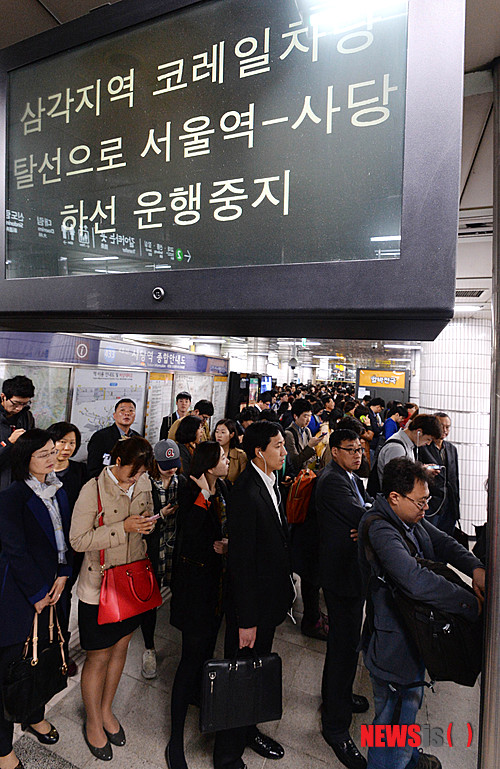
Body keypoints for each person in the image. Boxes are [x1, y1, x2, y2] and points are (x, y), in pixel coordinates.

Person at [358, 457, 485, 769]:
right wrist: (469, 604)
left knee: (407, 711)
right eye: (421, 501)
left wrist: (474, 567)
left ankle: (409, 758)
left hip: (412, 635)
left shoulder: (406, 517)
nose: (426, 508)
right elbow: (414, 580)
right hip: (393, 646)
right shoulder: (381, 528)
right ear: (395, 497)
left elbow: (442, 542)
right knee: (390, 720)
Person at [213, 421, 294, 769]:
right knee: (239, 676)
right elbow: (241, 563)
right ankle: (227, 754)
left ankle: (248, 730)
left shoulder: (271, 483)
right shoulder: (246, 492)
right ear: (259, 451)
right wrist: (246, 620)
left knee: (255, 671)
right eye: (278, 446)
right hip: (251, 607)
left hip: (267, 600)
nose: (284, 451)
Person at [70, 436, 156, 761]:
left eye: (141, 474)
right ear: (117, 462)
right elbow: (78, 540)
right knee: (98, 656)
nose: (137, 479)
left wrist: (147, 525)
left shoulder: (143, 481)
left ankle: (106, 710)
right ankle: (93, 720)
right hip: (99, 587)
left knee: (121, 648)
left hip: (131, 584)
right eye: (133, 473)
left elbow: (147, 515)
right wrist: (124, 527)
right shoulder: (92, 489)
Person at [0, 429, 72, 769]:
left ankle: (33, 715)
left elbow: (64, 539)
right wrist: (37, 593)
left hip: (54, 590)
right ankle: (3, 748)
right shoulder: (12, 497)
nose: (52, 457)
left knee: (42, 656)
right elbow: (15, 551)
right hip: (21, 595)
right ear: (24, 460)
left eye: (52, 451)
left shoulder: (58, 490)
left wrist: (64, 572)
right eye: (43, 454)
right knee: (11, 669)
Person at [167, 442, 230, 769]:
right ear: (208, 465)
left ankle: (198, 697)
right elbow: (190, 533)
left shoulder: (224, 489)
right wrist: (204, 494)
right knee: (190, 658)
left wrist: (228, 544)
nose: (228, 460)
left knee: (206, 651)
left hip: (215, 590)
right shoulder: (190, 491)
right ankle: (175, 739)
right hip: (194, 592)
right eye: (222, 458)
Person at [316, 429, 372, 769]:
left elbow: (364, 510)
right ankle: (336, 726)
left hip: (349, 573)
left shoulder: (348, 476)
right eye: (350, 450)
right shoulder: (333, 480)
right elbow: (363, 515)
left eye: (359, 449)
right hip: (341, 577)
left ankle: (338, 696)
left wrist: (362, 520)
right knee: (343, 646)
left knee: (347, 645)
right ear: (334, 451)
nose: (357, 455)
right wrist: (363, 521)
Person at [141, 439, 186, 680]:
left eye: (174, 464)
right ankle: (148, 648)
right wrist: (160, 515)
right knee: (150, 601)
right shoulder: (145, 484)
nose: (171, 470)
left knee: (179, 594)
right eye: (166, 466)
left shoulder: (182, 482)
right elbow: (137, 521)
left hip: (174, 549)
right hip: (152, 549)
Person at [47, 421, 88, 676]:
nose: (67, 447)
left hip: (71, 546)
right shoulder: (38, 469)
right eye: (62, 442)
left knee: (64, 597)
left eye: (72, 443)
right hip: (43, 546)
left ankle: (61, 651)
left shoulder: (80, 472)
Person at [284, 399, 327, 640]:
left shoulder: (308, 431)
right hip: (295, 487)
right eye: (304, 416)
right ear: (296, 416)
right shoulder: (290, 434)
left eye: (310, 416)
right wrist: (310, 448)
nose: (308, 420)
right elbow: (293, 461)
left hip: (306, 482)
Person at [419, 412, 460, 535]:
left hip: (449, 503)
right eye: (442, 426)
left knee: (447, 537)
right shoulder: (423, 447)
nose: (445, 430)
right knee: (429, 536)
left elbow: (455, 478)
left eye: (448, 427)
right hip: (432, 502)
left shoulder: (451, 449)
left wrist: (456, 504)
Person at [376, 414, 443, 487]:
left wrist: (421, 469)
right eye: (428, 439)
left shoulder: (407, 444)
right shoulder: (397, 448)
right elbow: (397, 479)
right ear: (419, 432)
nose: (428, 443)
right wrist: (421, 473)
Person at [87, 399, 140, 478]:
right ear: (114, 415)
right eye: (122, 410)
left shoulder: (138, 439)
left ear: (135, 416)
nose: (127, 413)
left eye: (131, 411)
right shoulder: (100, 437)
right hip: (106, 481)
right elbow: (93, 469)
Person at [0, 375, 36, 490]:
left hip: (20, 481)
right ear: (3, 397)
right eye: (15, 403)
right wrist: (9, 442)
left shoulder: (27, 416)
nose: (19, 408)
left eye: (24, 404)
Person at [213, 418, 247, 484]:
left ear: (231, 435)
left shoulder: (240, 455)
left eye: (223, 432)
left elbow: (243, 481)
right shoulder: (210, 452)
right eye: (217, 432)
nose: (219, 435)